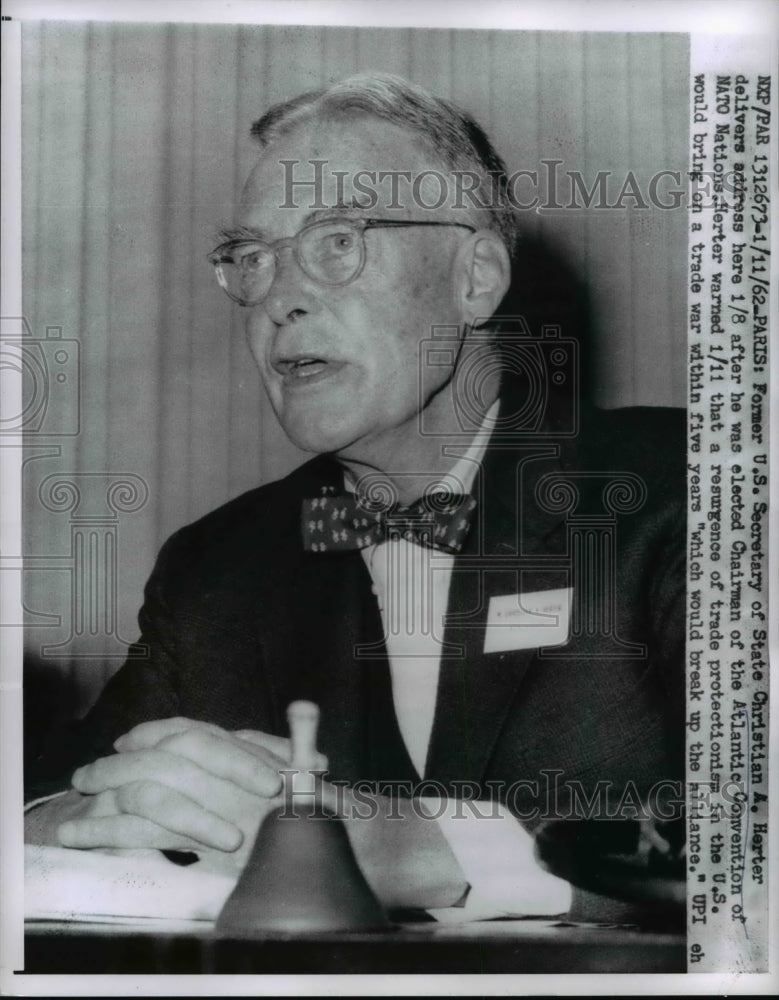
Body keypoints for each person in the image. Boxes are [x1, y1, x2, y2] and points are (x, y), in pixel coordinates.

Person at [25, 74, 686, 920]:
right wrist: (75, 820)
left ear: (475, 276)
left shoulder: (693, 489)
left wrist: (428, 848)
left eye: (336, 241)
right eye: (251, 260)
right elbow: (52, 791)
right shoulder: (221, 566)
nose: (280, 298)